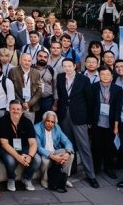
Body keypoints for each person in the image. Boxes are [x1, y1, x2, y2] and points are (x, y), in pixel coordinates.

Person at [56, 58, 100, 188]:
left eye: (70, 66)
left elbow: (90, 100)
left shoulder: (83, 79)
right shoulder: (60, 77)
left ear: (75, 66)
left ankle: (91, 175)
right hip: (64, 115)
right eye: (65, 66)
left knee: (84, 146)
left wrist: (89, 120)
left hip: (79, 116)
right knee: (67, 144)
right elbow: (61, 96)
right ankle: (70, 170)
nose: (67, 68)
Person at [0, 99, 39, 191]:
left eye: (18, 109)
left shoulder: (27, 122)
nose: (15, 111)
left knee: (37, 160)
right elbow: (4, 144)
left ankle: (26, 178)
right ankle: (11, 179)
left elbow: (33, 143)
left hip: (23, 147)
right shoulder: (3, 121)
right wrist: (18, 157)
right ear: (9, 109)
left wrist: (30, 157)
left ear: (22, 111)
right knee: (11, 161)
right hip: (6, 148)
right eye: (13, 109)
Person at [34, 111, 74, 192]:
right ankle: (44, 180)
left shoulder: (57, 127)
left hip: (54, 150)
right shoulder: (36, 128)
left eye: (52, 122)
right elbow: (38, 147)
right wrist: (51, 156)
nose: (50, 124)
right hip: (43, 152)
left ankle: (63, 178)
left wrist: (67, 153)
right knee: (45, 161)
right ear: (44, 120)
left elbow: (67, 141)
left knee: (70, 155)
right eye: (48, 121)